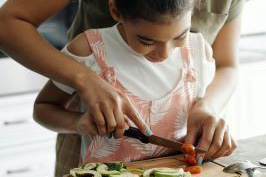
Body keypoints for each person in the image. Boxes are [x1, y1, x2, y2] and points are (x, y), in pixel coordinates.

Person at [0, 0, 244, 176]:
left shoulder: (197, 49)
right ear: (114, 9)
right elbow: (44, 107)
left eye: (180, 37)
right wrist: (80, 112)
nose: (164, 54)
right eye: (146, 41)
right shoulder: (89, 49)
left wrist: (207, 107)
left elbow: (227, 66)